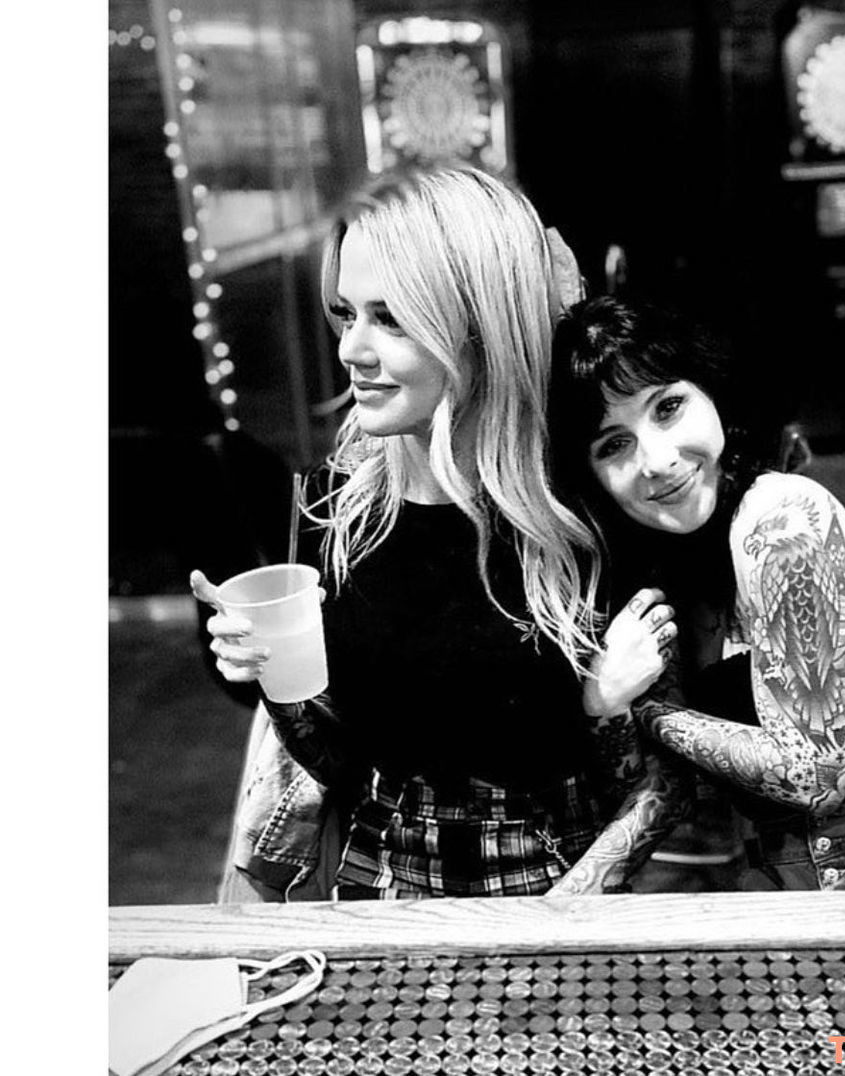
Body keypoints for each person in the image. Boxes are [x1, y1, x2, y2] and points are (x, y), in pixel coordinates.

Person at [190, 168, 682, 901]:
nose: (351, 349)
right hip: (376, 890)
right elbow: (336, 762)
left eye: (390, 319)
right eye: (346, 313)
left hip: (555, 889)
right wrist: (273, 676)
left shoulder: (587, 506)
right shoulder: (335, 506)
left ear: (483, 328)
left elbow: (659, 791)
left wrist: (602, 712)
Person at [548, 295, 845, 891]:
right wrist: (564, 904)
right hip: (788, 874)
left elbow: (815, 773)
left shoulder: (780, 517)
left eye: (668, 407)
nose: (658, 460)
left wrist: (639, 708)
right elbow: (664, 791)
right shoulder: (665, 569)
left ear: (712, 396)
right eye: (613, 445)